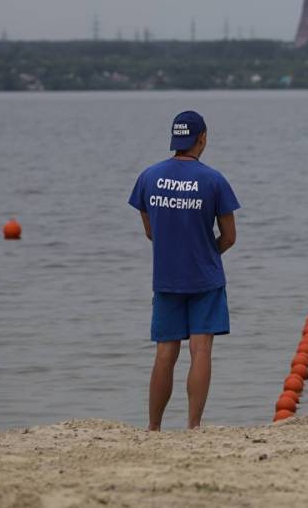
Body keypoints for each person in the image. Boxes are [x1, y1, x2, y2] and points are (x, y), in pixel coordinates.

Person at [128, 110, 240, 430]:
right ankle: (193, 426)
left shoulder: (149, 177)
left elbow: (151, 231)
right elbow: (230, 237)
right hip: (205, 277)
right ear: (202, 138)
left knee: (165, 352)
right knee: (200, 348)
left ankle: (153, 428)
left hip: (166, 277)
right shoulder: (214, 180)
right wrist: (206, 252)